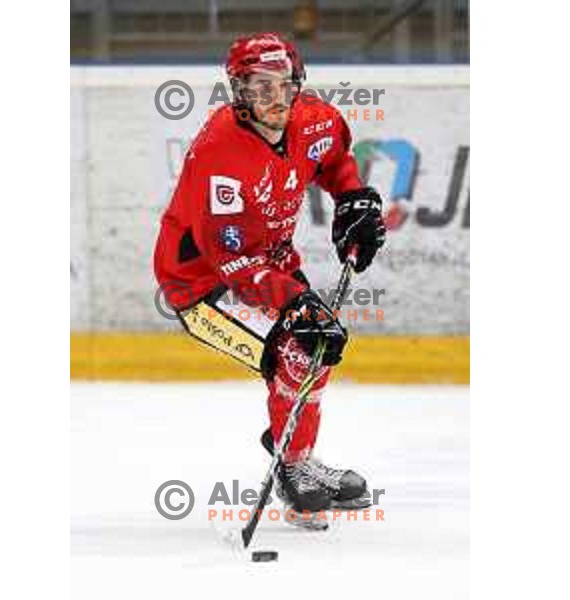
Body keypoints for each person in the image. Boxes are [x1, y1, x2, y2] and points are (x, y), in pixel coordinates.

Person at [154, 32, 386, 520]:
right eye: (259, 87)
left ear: (297, 82)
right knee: (300, 342)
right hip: (202, 284)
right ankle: (293, 465)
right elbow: (232, 261)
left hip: (272, 262)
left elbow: (336, 161)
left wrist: (352, 199)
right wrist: (292, 302)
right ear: (238, 92)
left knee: (317, 340)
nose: (273, 98)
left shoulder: (316, 120)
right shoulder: (218, 152)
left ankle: (296, 459)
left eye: (282, 84)